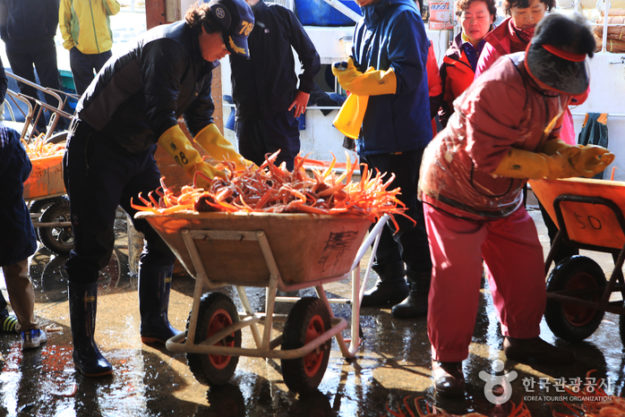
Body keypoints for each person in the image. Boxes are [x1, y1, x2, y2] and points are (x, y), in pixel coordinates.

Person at [419, 14, 613, 397]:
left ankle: (522, 339)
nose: (561, 85)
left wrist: (572, 155)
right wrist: (556, 165)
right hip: (453, 188)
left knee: (525, 268)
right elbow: (489, 158)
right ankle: (448, 362)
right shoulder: (501, 83)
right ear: (536, 55)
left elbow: (544, 142)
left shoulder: (555, 87)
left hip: (503, 196)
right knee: (456, 279)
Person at [63, 0, 254, 377]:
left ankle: (153, 325)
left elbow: (201, 123)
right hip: (96, 146)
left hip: (137, 151)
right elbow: (161, 117)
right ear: (210, 27)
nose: (225, 54)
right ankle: (84, 348)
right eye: (226, 45)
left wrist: (238, 163)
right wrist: (198, 168)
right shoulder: (167, 47)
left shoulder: (204, 62)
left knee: (163, 233)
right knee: (92, 250)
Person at [332, 0, 433, 318]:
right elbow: (361, 73)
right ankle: (390, 281)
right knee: (375, 213)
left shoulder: (404, 17)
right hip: (371, 137)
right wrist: (350, 70)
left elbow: (409, 76)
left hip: (401, 138)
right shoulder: (364, 20)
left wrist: (362, 81)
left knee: (404, 215)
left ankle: (423, 288)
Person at [229, 0, 320, 171]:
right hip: (246, 119)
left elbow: (311, 56)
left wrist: (305, 90)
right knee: (249, 182)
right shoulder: (230, 19)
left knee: (283, 181)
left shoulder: (281, 15)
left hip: (280, 118)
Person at [0, 125, 48, 350]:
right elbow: (24, 168)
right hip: (9, 218)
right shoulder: (6, 136)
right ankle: (29, 330)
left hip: (10, 217)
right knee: (18, 275)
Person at [0, 0, 64, 132]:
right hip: (15, 45)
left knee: (51, 85)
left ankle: (59, 127)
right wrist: (5, 35)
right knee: (26, 88)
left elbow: (54, 5)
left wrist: (49, 31)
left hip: (42, 41)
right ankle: (38, 128)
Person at [438, 0, 496, 128]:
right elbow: (444, 104)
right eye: (467, 16)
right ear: (459, 18)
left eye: (480, 16)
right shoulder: (450, 60)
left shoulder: (506, 51)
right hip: (464, 137)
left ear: (492, 18)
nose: (473, 22)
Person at [59, 0, 121, 95]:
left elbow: (114, 10)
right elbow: (63, 21)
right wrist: (71, 46)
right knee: (84, 97)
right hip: (79, 52)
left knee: (110, 94)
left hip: (103, 50)